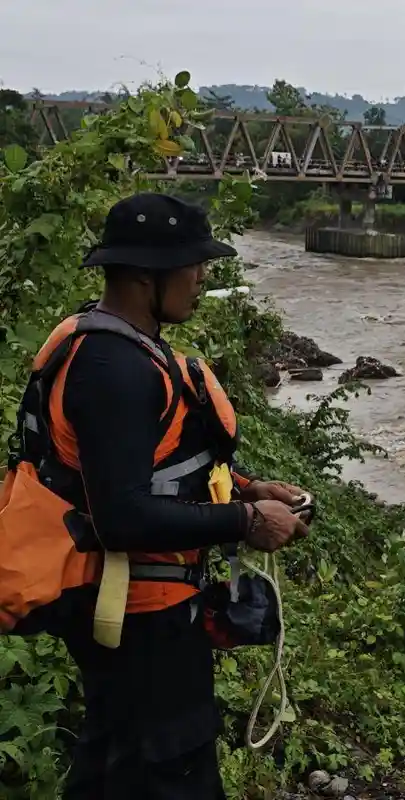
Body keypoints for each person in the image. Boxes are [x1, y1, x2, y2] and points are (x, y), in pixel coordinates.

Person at [24, 193, 309, 799]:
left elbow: (150, 468)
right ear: (145, 275)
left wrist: (245, 486)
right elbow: (123, 517)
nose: (203, 276)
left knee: (111, 767)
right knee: (170, 773)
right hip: (140, 622)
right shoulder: (114, 368)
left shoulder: (114, 345)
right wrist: (246, 519)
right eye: (192, 264)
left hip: (139, 615)